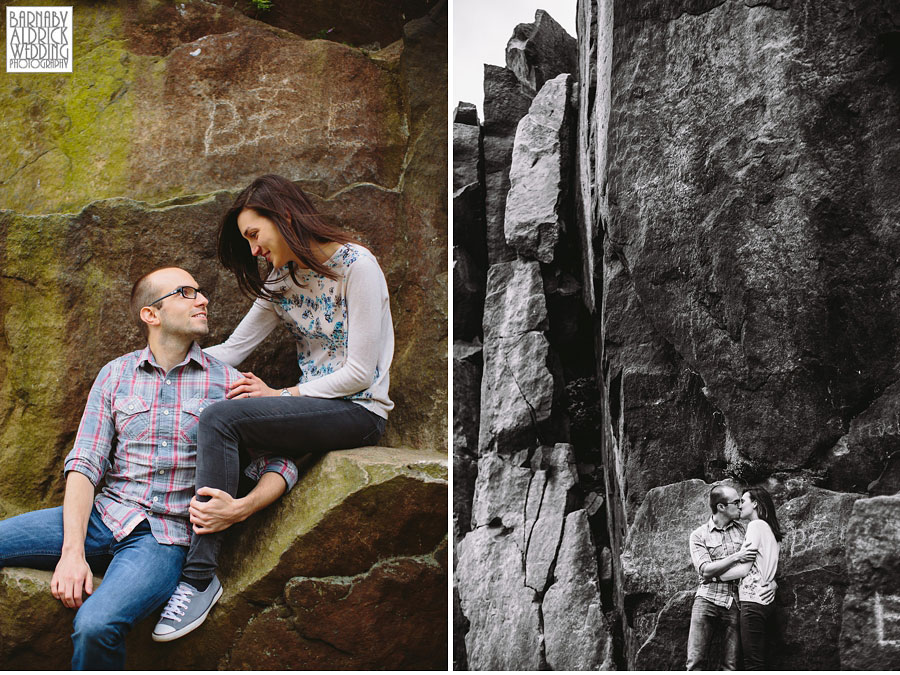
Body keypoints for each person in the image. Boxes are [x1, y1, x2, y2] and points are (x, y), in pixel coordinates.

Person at [0, 267, 298, 669]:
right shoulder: (115, 375)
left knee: (95, 625)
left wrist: (242, 507)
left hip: (163, 540)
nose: (203, 300)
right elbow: (85, 463)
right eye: (186, 293)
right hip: (101, 517)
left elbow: (280, 462)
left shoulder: (229, 384)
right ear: (150, 314)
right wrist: (72, 553)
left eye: (201, 292)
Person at [153, 174, 394, 641]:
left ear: (283, 217)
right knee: (213, 410)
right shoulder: (282, 282)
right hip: (311, 414)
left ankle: (199, 577)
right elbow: (231, 351)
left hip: (360, 412)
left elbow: (361, 373)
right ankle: (174, 533)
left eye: (253, 235)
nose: (254, 251)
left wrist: (279, 396)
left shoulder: (356, 266)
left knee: (221, 418)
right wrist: (156, 361)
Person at [686, 484, 776, 670]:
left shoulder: (745, 530)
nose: (740, 505)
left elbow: (761, 559)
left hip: (735, 603)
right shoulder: (698, 535)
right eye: (736, 502)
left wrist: (771, 581)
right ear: (721, 507)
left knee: (731, 665)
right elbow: (705, 570)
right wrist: (736, 557)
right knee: (695, 662)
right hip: (707, 600)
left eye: (742, 501)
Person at [718, 487, 782, 670]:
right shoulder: (772, 532)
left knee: (752, 664)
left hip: (753, 603)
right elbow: (768, 568)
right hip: (767, 602)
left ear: (755, 504)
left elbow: (744, 568)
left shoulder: (755, 526)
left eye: (743, 502)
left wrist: (716, 575)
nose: (739, 507)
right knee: (762, 661)